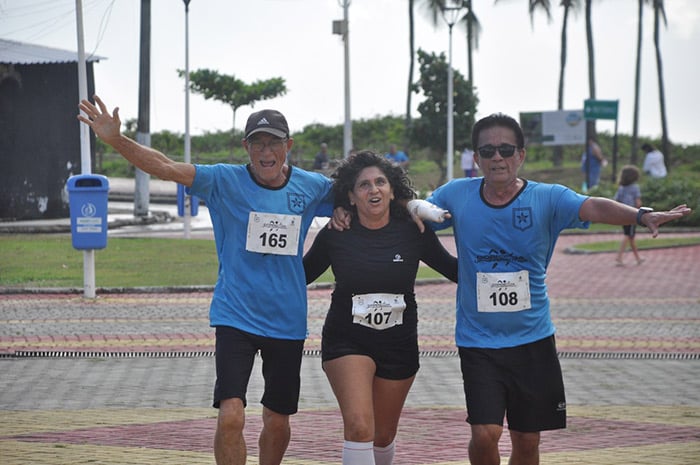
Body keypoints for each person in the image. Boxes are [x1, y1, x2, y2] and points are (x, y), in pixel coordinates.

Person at [77, 95, 339, 465]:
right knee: (231, 415)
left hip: (287, 320)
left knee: (277, 421)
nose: (267, 151)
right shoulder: (223, 180)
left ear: (288, 146)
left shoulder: (311, 187)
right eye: (258, 143)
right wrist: (116, 140)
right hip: (235, 316)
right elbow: (165, 167)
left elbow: (364, 195)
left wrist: (348, 214)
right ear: (246, 147)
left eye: (274, 143)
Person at [419, 113, 691, 465]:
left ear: (521, 155)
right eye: (487, 150)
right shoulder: (456, 194)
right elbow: (417, 218)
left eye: (505, 149)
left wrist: (642, 215)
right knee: (485, 433)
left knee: (528, 440)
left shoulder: (547, 198)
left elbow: (593, 205)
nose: (497, 157)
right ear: (476, 157)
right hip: (478, 341)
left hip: (532, 340)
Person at [304, 151, 458, 465]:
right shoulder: (336, 233)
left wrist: (505, 262)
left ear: (391, 190)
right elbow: (297, 277)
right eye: (363, 185)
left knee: (383, 435)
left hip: (399, 344)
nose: (373, 190)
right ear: (350, 194)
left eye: (380, 183)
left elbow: (456, 271)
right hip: (347, 340)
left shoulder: (413, 230)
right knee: (361, 427)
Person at [614, 165, 645, 266]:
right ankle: (619, 257)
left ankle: (638, 258)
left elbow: (616, 201)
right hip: (632, 214)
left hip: (622, 213)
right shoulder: (635, 188)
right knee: (628, 235)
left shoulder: (621, 188)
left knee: (631, 236)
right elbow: (638, 202)